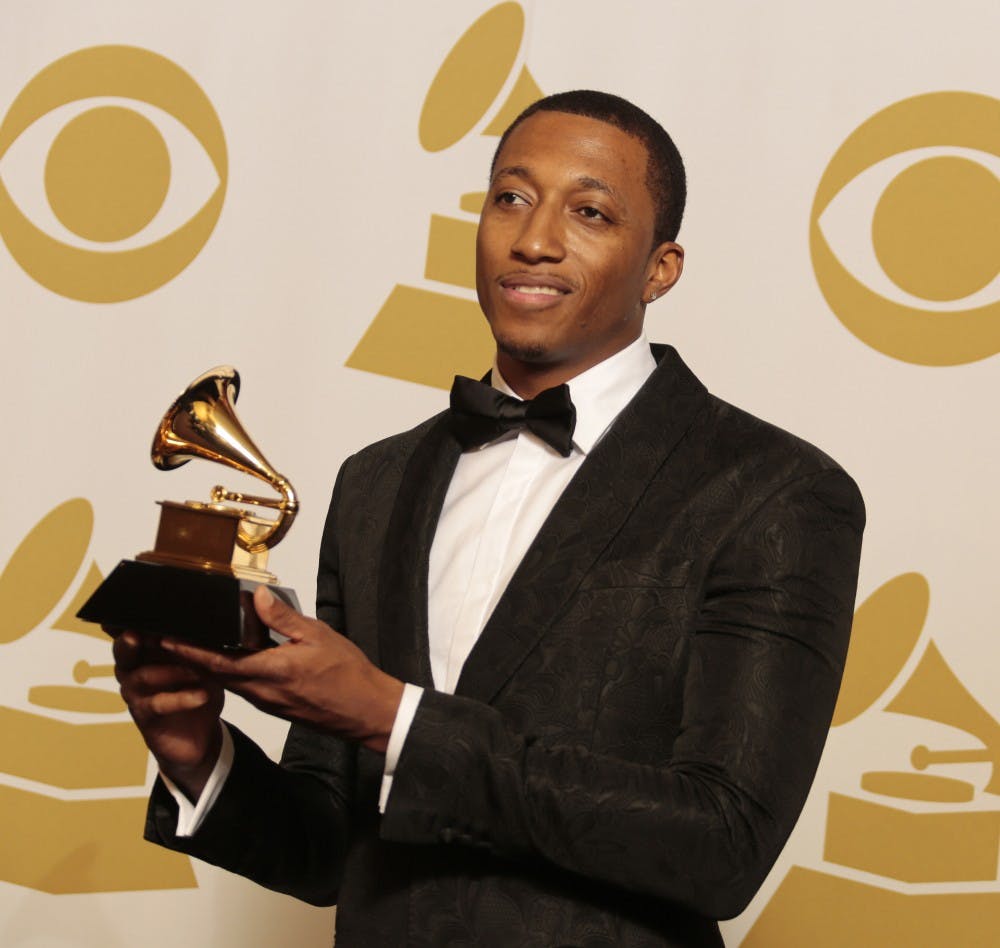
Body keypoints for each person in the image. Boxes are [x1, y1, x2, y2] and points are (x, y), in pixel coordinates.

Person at [115, 91, 865, 947]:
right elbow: (328, 849)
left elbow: (723, 844)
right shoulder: (376, 483)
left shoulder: (773, 491)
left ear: (661, 268)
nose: (534, 238)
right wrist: (197, 756)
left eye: (589, 211)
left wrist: (392, 716)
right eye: (511, 197)